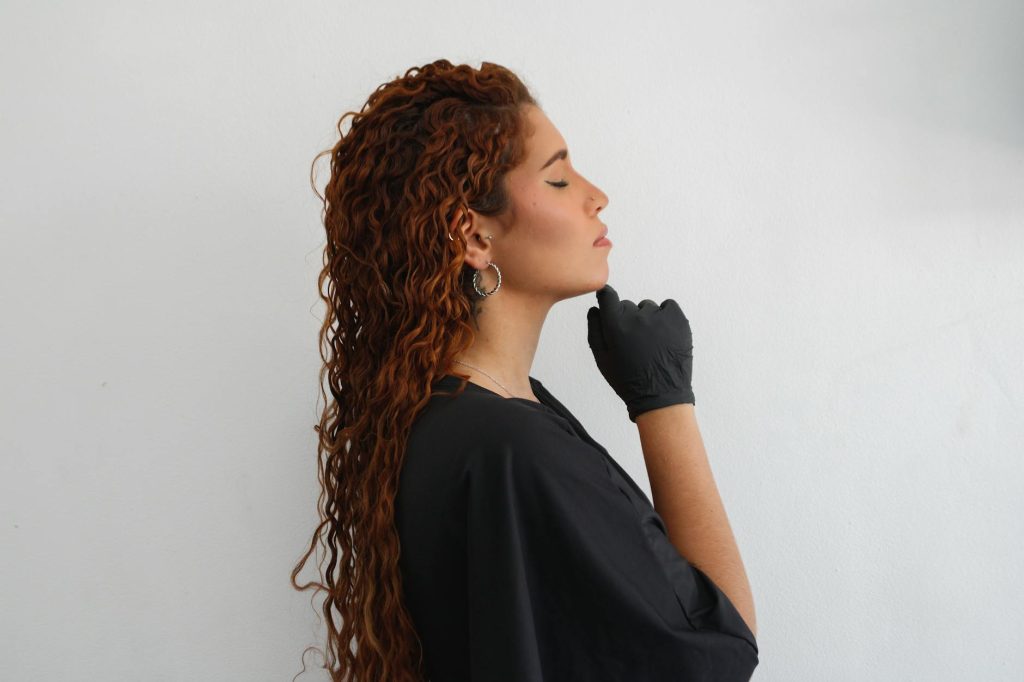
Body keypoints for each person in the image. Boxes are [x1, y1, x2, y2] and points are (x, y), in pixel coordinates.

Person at [293, 59, 758, 682]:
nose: (597, 195)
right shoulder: (515, 447)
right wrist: (665, 403)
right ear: (474, 236)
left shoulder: (446, 414)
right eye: (559, 179)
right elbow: (724, 650)